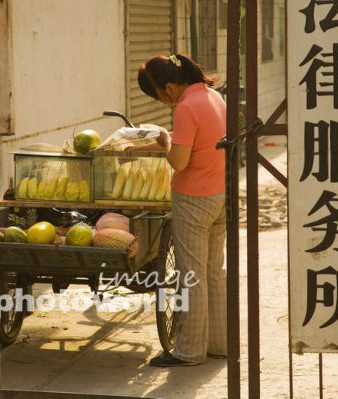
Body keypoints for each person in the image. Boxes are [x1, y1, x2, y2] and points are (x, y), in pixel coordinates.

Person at [128, 54, 227, 367]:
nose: (162, 102)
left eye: (159, 95)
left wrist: (166, 140)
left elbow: (179, 160)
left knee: (191, 276)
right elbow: (193, 143)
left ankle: (189, 351)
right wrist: (140, 149)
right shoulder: (212, 96)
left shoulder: (186, 107)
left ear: (169, 86)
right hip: (219, 195)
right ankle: (219, 344)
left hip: (194, 199)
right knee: (212, 271)